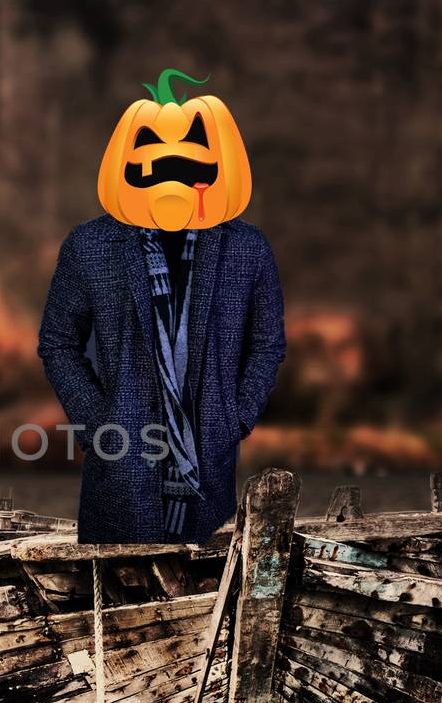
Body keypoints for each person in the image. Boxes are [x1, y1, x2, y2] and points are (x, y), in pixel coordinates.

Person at [38, 69, 285, 543]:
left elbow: (267, 345)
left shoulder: (248, 249)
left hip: (210, 465)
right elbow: (58, 343)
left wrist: (235, 419)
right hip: (121, 466)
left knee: (209, 586)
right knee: (114, 599)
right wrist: (98, 422)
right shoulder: (90, 245)